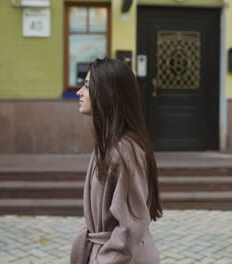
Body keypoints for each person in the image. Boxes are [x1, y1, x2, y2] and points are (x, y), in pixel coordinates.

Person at [70, 58, 162, 264]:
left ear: (106, 93)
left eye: (86, 86)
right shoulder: (108, 144)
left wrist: (104, 259)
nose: (79, 92)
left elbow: (131, 224)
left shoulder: (124, 150)